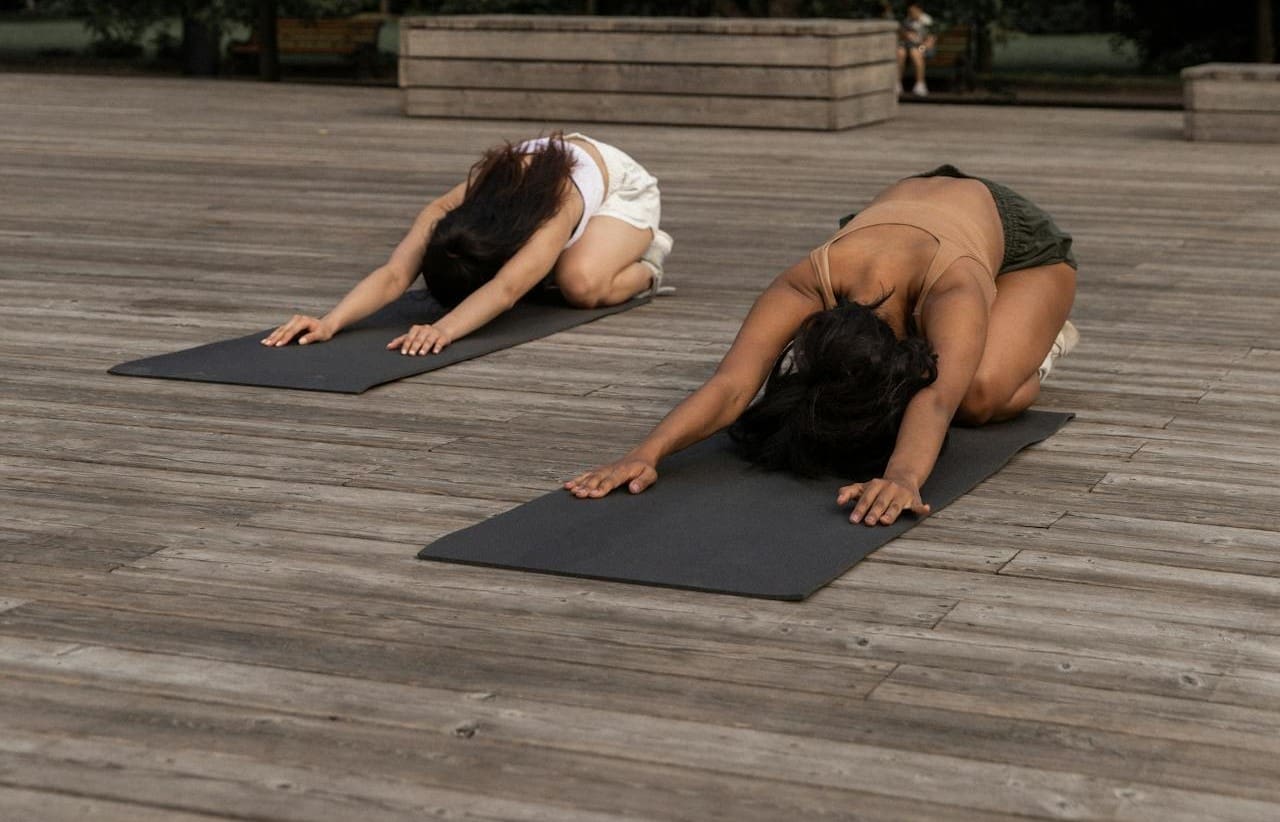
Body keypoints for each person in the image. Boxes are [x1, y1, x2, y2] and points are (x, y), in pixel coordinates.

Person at [566, 165, 1078, 528]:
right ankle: (977, 341)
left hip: (1015, 243)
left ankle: (1039, 337)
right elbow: (732, 384)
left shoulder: (953, 288)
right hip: (896, 216)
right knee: (942, 371)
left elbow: (938, 398)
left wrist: (901, 477)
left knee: (979, 394)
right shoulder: (809, 279)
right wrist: (645, 453)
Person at [262, 132, 673, 355]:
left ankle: (648, 261)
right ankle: (557, 262)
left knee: (580, 284)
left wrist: (442, 329)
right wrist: (330, 321)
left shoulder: (554, 211)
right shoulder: (453, 204)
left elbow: (507, 289)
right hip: (545, 200)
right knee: (547, 272)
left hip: (622, 188)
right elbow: (394, 274)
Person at [897, 3, 937, 97]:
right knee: (900, 52)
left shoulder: (927, 22)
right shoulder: (907, 21)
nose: (911, 14)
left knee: (916, 52)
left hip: (924, 48)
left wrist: (921, 48)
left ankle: (920, 84)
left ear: (919, 11)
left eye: (913, 11)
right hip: (909, 47)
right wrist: (906, 35)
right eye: (910, 12)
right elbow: (902, 38)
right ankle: (897, 83)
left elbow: (930, 42)